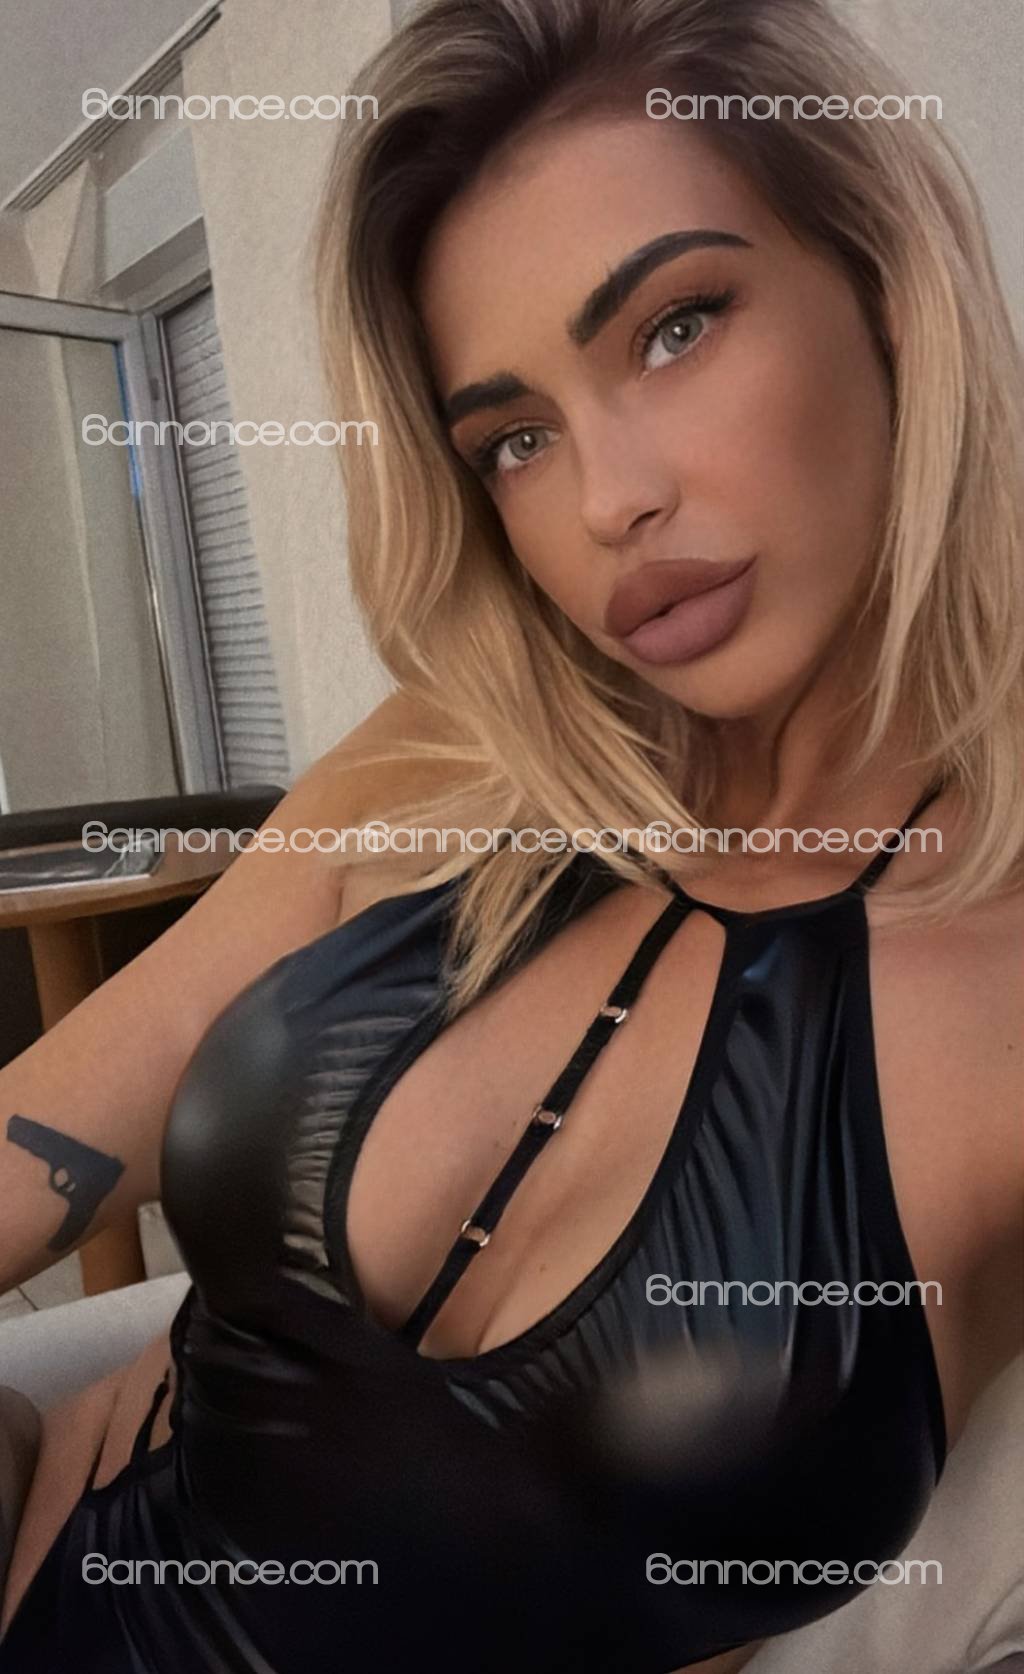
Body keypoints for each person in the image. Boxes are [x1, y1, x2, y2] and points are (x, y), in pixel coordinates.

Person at [1, 0, 1021, 1669]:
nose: (608, 499)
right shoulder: (449, 760)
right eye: (515, 438)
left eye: (676, 327)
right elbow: (38, 1142)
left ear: (889, 294)